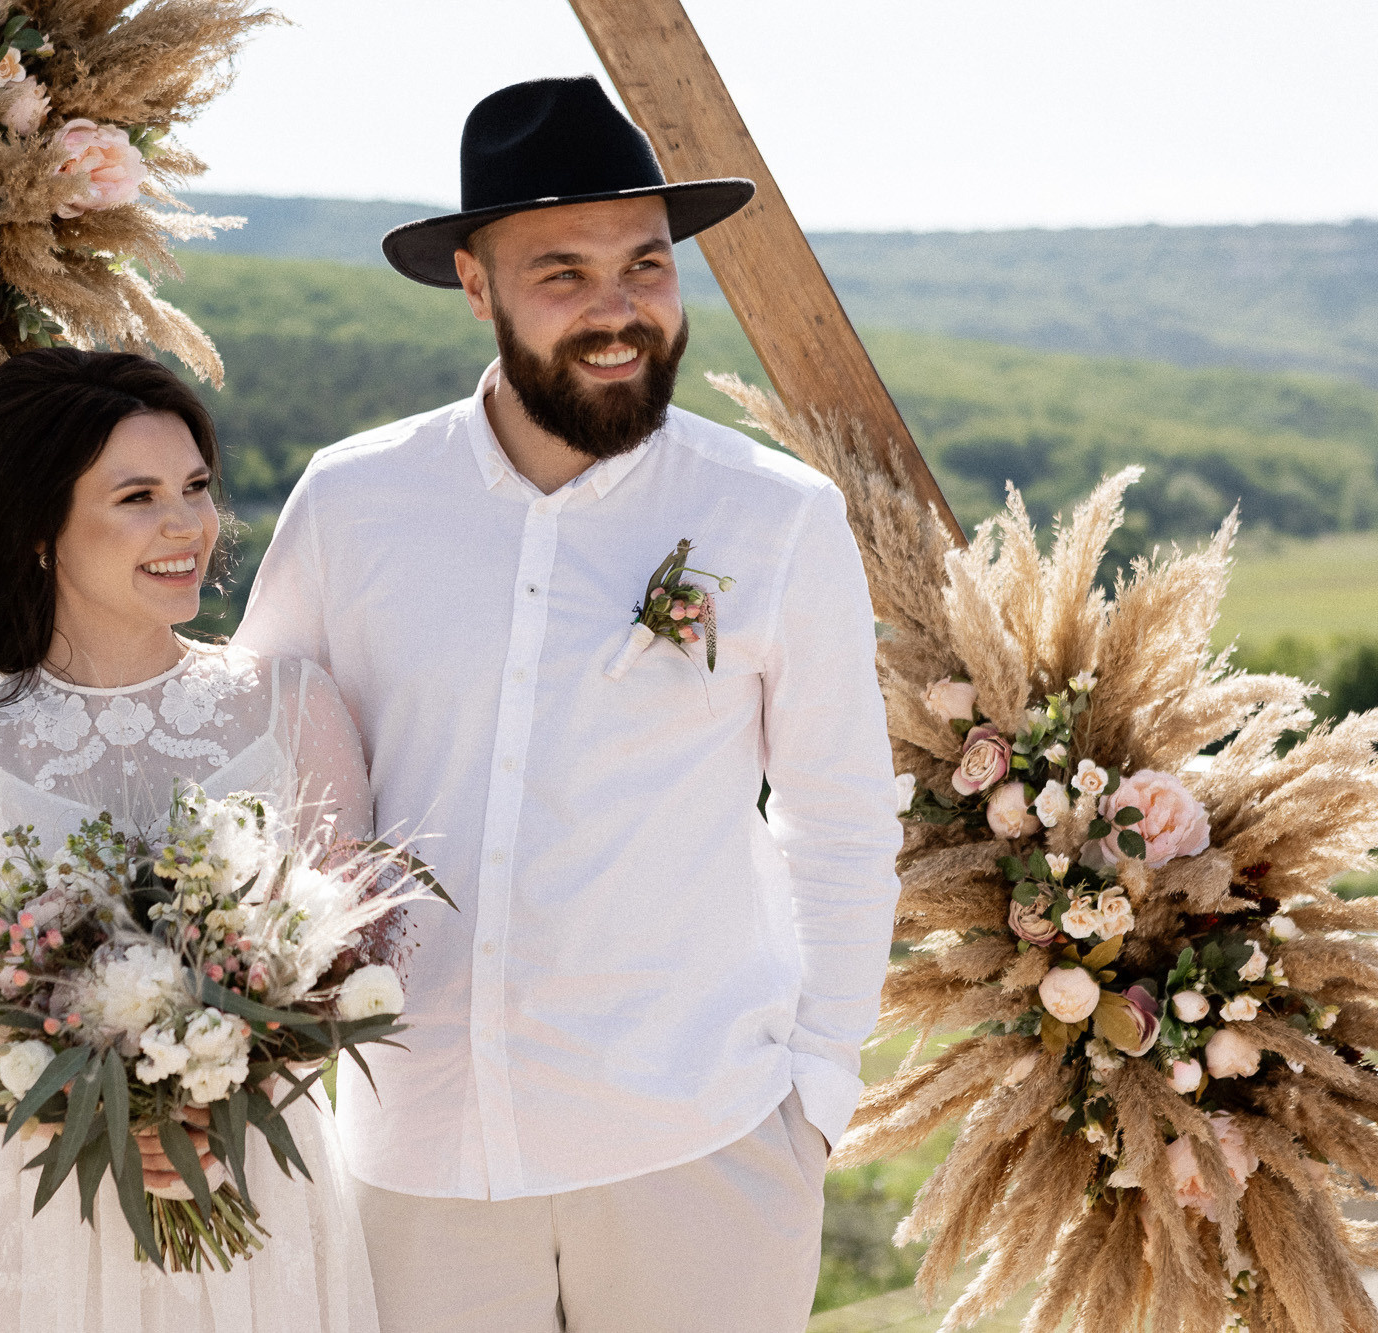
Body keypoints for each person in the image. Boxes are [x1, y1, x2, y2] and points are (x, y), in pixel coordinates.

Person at [234, 76, 903, 1332]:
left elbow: (842, 819)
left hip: (701, 1139)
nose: (618, 310)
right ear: (475, 287)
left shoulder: (778, 515)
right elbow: (252, 792)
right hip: (414, 1151)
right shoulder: (348, 503)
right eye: (562, 273)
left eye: (644, 265)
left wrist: (816, 1092)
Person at [0, 349, 381, 1333]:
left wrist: (217, 1098)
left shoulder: (290, 705)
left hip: (258, 1181)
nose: (186, 525)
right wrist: (112, 1118)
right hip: (47, 1208)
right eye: (136, 496)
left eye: (195, 487)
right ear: (39, 529)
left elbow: (358, 958)